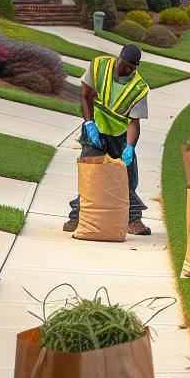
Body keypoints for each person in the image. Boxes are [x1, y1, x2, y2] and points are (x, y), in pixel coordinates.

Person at [67, 44, 150, 235]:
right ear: (118, 58)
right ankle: (78, 217)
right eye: (124, 64)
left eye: (131, 67)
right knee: (91, 174)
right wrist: (89, 124)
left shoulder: (139, 87)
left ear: (136, 67)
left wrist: (129, 146)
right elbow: (86, 96)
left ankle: (133, 220)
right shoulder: (99, 66)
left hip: (120, 134)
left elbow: (134, 122)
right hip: (96, 127)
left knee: (128, 177)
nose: (127, 70)